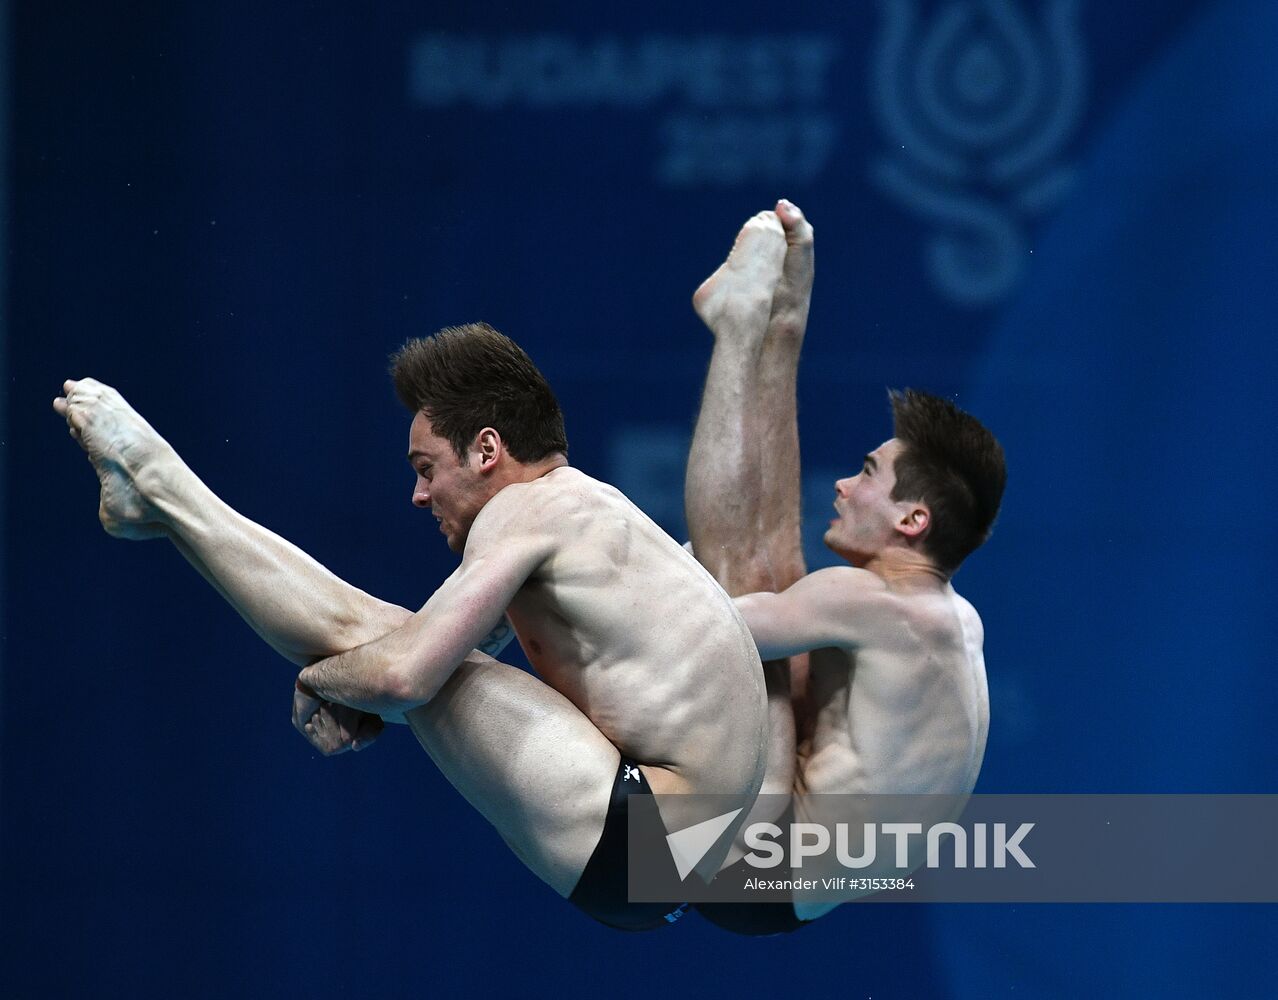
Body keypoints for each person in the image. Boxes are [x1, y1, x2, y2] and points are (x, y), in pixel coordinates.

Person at [52, 323, 768, 931]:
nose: (419, 494)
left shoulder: (529, 511)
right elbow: (440, 661)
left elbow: (404, 673)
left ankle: (157, 483)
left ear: (487, 451)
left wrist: (319, 678)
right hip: (680, 859)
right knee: (394, 639)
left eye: (428, 468)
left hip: (642, 839)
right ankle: (162, 507)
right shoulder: (590, 510)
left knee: (377, 633)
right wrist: (364, 688)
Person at [683, 201, 1007, 934]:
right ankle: (781, 323)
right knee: (782, 580)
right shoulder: (947, 614)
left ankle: (741, 332)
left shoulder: (877, 607)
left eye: (867, 473)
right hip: (802, 874)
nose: (843, 484)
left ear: (911, 520)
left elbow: (697, 628)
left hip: (749, 868)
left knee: (736, 573)